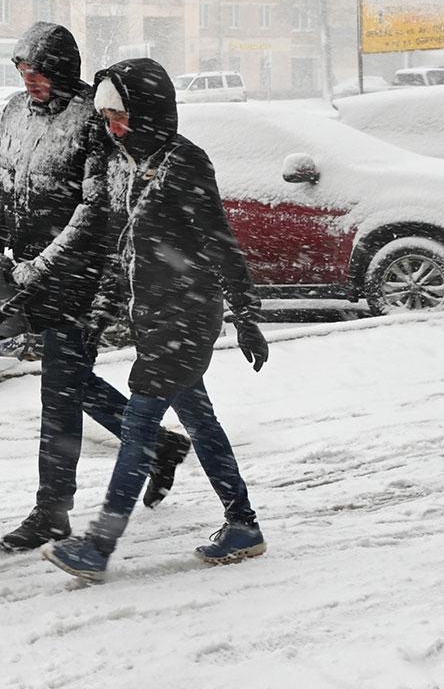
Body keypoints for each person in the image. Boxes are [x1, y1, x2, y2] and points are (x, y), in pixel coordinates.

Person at [40, 57, 271, 582]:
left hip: (187, 315)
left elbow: (219, 241)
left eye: (120, 115)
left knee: (140, 426)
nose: (112, 127)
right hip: (153, 316)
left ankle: (98, 545)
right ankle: (243, 524)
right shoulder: (124, 163)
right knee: (200, 421)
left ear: (149, 110)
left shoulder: (185, 162)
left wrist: (246, 315)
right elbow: (121, 252)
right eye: (107, 118)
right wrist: (98, 317)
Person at [0, 22, 193, 555]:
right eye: (23, 71)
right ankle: (160, 446)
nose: (30, 81)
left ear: (62, 69)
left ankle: (53, 510)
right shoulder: (14, 113)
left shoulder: (92, 118)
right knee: (66, 377)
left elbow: (95, 210)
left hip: (78, 274)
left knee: (59, 393)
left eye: (39, 71)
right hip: (31, 271)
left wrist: (42, 267)